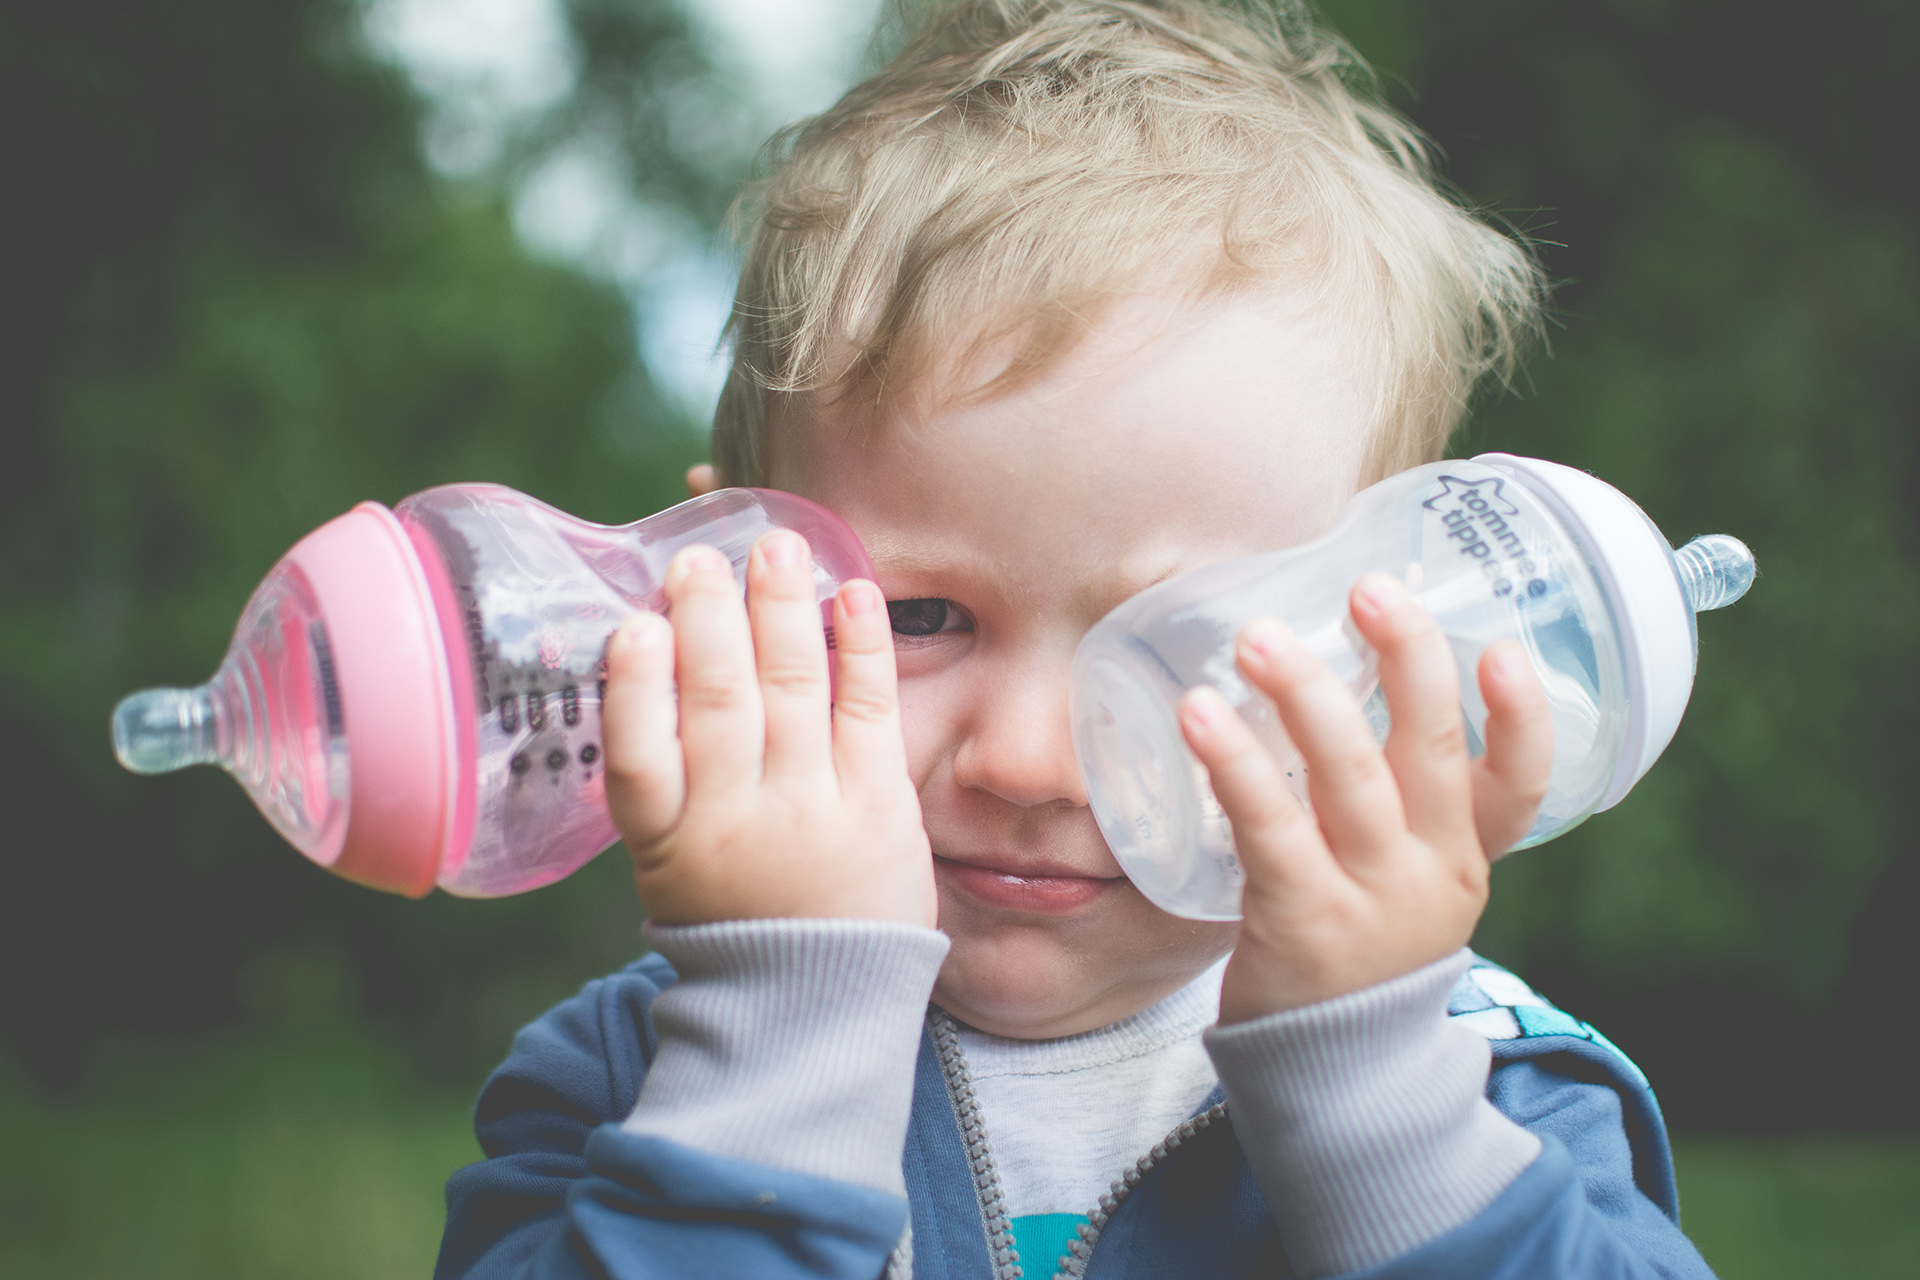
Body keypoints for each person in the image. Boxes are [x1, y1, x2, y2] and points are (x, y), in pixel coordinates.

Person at [436, 2, 1715, 1276]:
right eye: (916, 615)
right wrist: (775, 1041)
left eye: (1179, 643)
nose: (1027, 760)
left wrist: (1378, 1100)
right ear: (713, 587)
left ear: (1371, 658)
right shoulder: (633, 1079)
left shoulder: (1496, 1093)